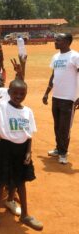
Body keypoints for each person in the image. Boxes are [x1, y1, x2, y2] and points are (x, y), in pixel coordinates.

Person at [0, 80, 43, 232]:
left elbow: (28, 135)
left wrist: (29, 152)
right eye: (15, 93)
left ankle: (25, 215)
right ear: (8, 93)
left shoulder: (28, 111)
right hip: (5, 149)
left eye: (22, 93)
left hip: (22, 151)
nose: (18, 96)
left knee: (21, 183)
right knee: (0, 183)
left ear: (26, 94)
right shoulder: (1, 106)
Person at [43, 33, 79, 164]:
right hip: (56, 97)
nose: (55, 41)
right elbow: (53, 75)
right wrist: (47, 92)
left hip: (69, 98)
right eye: (55, 39)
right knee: (57, 126)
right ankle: (59, 148)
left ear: (67, 41)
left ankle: (63, 153)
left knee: (64, 128)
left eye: (58, 40)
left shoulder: (75, 56)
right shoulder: (56, 57)